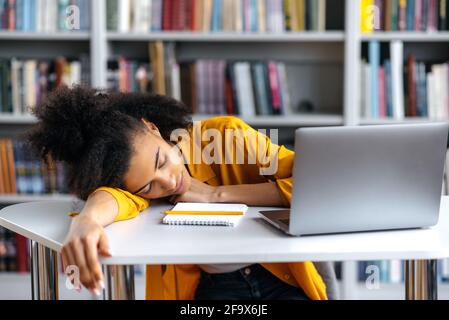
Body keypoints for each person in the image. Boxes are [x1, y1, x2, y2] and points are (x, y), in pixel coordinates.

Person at [26, 85, 327, 300]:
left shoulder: (225, 137)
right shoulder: (138, 188)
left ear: (153, 128)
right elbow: (114, 199)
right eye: (148, 186)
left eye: (162, 160)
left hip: (277, 276)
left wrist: (216, 194)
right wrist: (86, 220)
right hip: (212, 288)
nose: (167, 183)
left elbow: (315, 181)